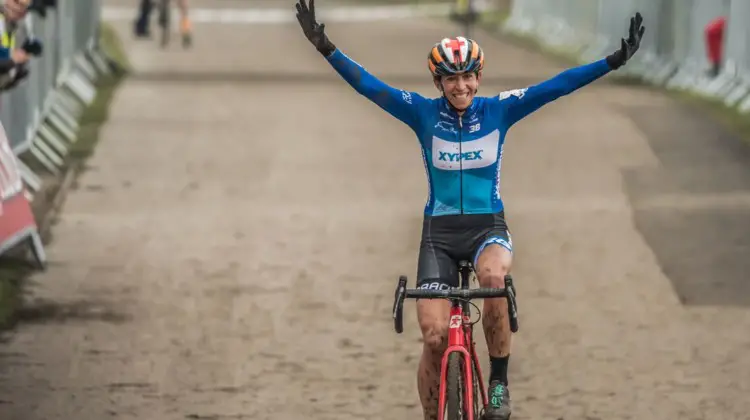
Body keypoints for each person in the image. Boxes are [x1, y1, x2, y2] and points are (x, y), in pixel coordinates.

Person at [294, 1, 644, 419]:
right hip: (438, 236)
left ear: (479, 77)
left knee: (494, 277)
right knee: (434, 337)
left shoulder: (499, 110)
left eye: (466, 77)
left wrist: (613, 61)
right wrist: (325, 47)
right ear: (438, 82)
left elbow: (558, 85)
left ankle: (498, 383)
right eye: (450, 79)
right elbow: (370, 86)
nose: (460, 86)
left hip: (486, 229)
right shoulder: (421, 113)